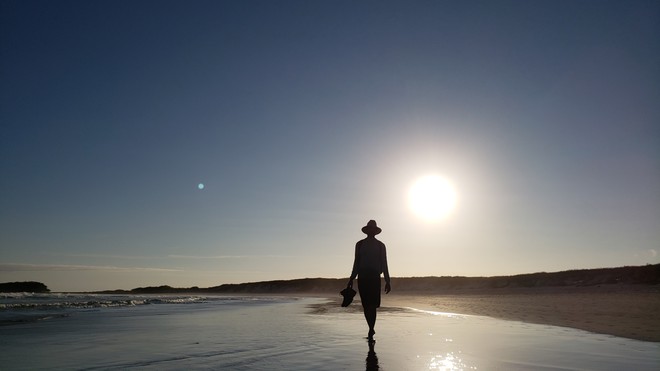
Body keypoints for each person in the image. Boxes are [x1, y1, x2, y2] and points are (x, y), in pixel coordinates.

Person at [347, 220, 391, 341]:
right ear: (367, 230)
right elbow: (356, 262)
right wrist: (351, 278)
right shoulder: (359, 244)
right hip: (362, 277)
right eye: (370, 229)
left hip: (375, 277)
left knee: (373, 305)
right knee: (366, 305)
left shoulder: (381, 245)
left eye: (373, 229)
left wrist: (388, 280)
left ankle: (372, 327)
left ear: (375, 231)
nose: (371, 231)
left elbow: (384, 263)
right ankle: (370, 327)